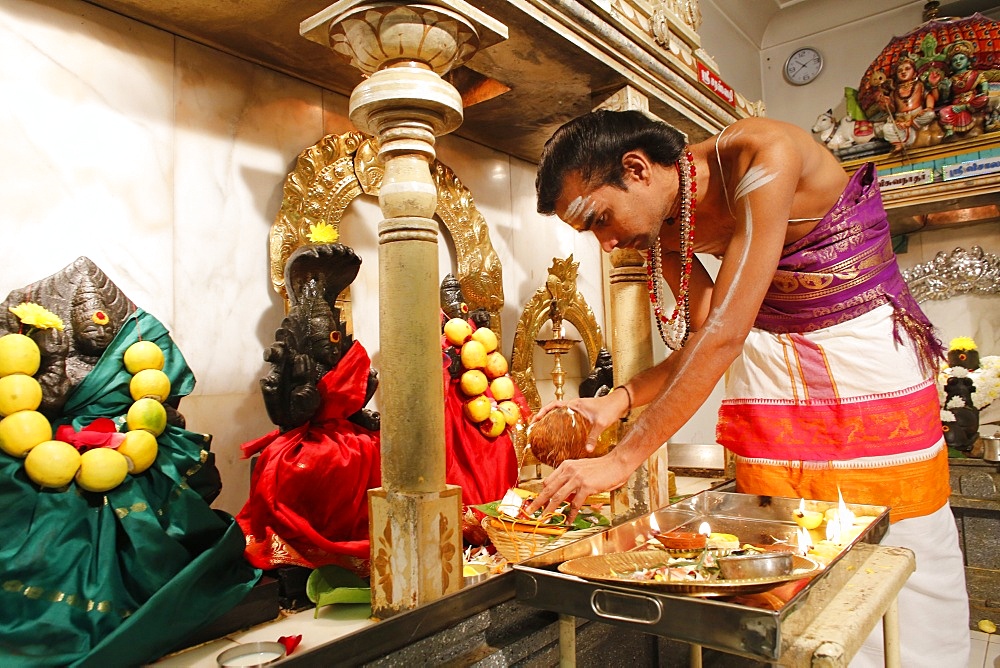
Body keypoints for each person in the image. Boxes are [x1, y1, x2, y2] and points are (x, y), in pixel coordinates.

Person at [526, 109, 969, 667]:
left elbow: (724, 334)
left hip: (862, 360)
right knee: (788, 546)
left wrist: (622, 459)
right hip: (774, 372)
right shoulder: (666, 229)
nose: (609, 244)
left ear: (637, 170)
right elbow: (697, 346)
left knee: (900, 544)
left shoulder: (762, 155)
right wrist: (614, 401)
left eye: (599, 219)